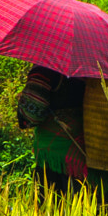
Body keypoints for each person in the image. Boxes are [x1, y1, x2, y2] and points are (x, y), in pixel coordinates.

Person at [15, 64, 89, 195]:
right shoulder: (97, 69)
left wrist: (23, 101)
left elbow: (29, 117)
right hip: (95, 152)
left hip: (58, 158)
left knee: (57, 209)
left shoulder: (45, 70)